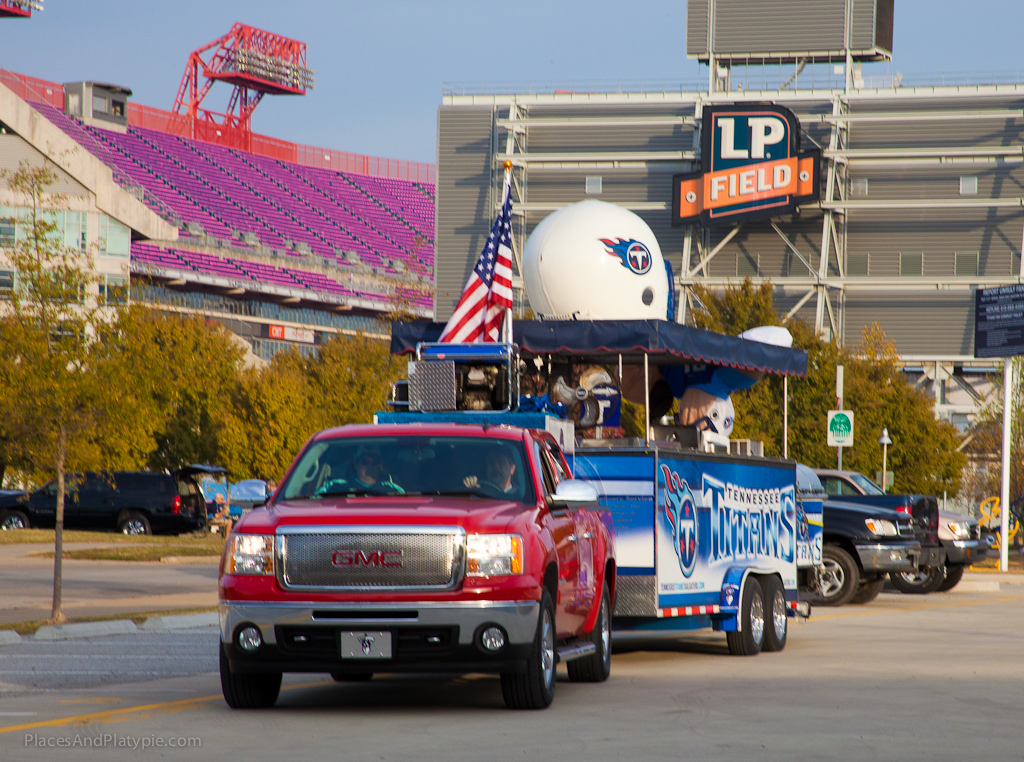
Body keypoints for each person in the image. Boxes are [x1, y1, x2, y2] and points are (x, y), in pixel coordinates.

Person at [315, 446, 403, 495]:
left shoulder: (393, 489)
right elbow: (314, 504)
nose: (370, 466)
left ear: (381, 466)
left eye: (375, 462)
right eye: (365, 462)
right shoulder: (335, 485)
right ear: (355, 464)